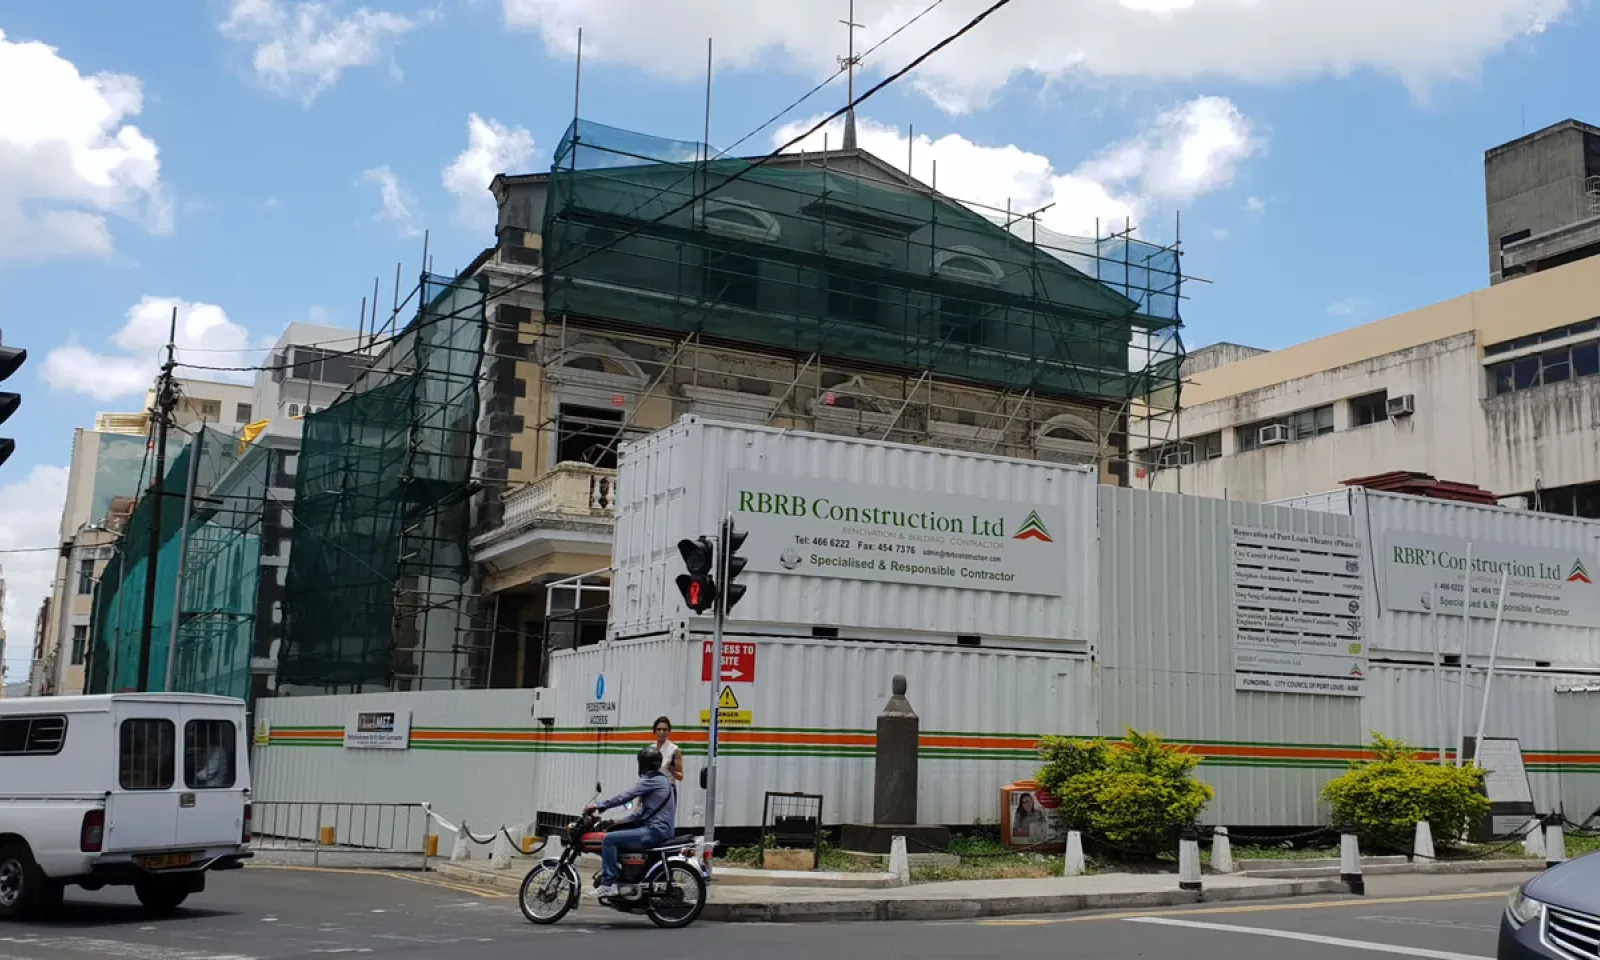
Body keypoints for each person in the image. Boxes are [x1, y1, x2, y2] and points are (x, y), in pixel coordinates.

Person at [584, 745, 677, 898]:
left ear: (643, 763)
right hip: (661, 829)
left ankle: (608, 884)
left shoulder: (651, 780)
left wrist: (599, 805)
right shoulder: (662, 780)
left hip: (654, 831)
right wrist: (618, 822)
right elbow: (642, 813)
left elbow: (626, 796)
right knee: (617, 834)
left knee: (609, 840)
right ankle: (623, 878)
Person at [653, 716, 684, 783]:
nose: (661, 732)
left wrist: (673, 771)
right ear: (654, 732)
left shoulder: (674, 749)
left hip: (668, 786)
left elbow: (680, 777)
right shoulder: (651, 749)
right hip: (653, 786)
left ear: (669, 732)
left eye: (664, 730)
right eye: (659, 729)